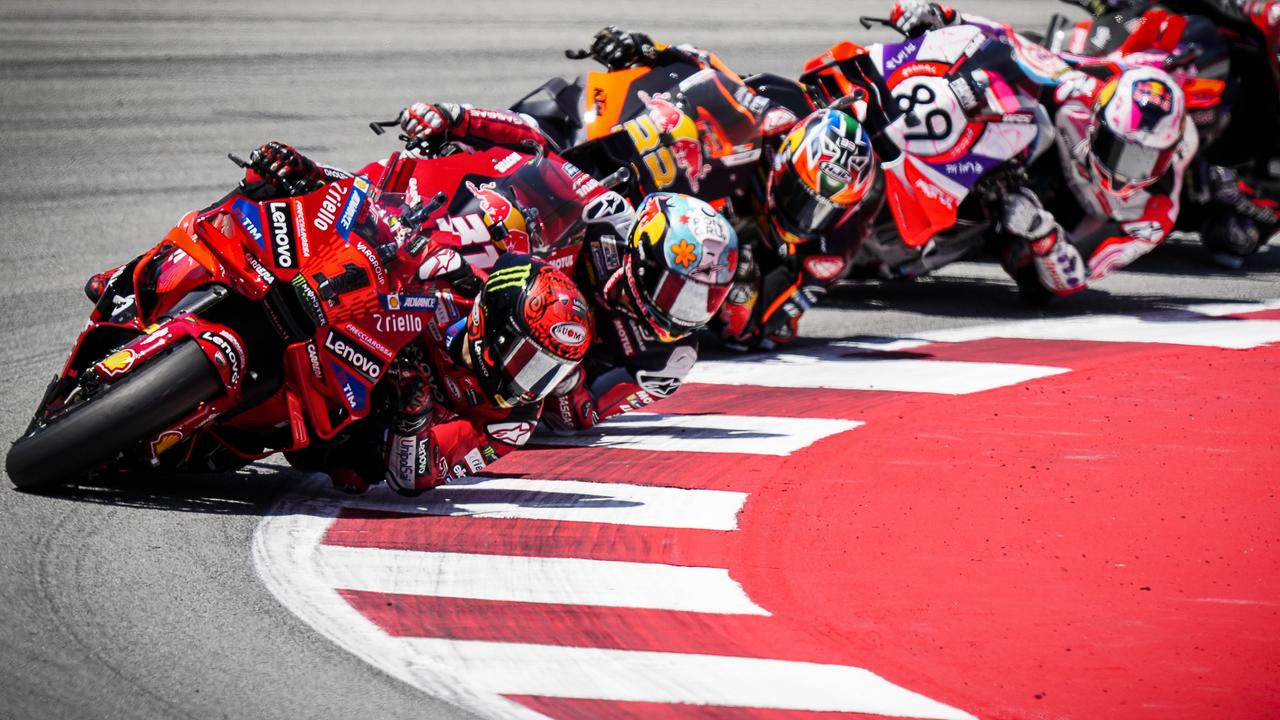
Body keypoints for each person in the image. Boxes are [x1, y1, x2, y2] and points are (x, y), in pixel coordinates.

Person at [90, 141, 594, 495]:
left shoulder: (513, 421)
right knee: (265, 190)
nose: (533, 382)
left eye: (548, 373)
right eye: (531, 362)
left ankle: (228, 422)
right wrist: (312, 175)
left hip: (357, 418)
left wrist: (414, 416)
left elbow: (421, 475)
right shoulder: (460, 291)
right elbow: (380, 209)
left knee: (355, 469)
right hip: (341, 319)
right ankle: (139, 271)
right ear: (497, 324)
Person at [399, 25, 882, 350]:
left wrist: (742, 287)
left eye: (818, 206)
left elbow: (768, 320)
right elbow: (713, 71)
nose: (804, 212)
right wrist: (647, 51)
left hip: (707, 269)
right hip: (679, 174)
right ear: (789, 158)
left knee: (731, 318)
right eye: (800, 193)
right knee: (560, 112)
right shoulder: (783, 109)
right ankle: (466, 155)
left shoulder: (837, 237)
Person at [394, 105, 740, 429]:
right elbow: (538, 144)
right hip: (498, 276)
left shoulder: (669, 359)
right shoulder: (612, 220)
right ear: (645, 256)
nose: (687, 313)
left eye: (704, 299)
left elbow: (582, 414)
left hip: (513, 378)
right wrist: (458, 119)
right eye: (679, 291)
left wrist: (565, 371)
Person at [887, 1, 1199, 296]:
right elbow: (1016, 46)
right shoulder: (1083, 92)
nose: (1123, 170)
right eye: (1117, 148)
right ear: (1097, 122)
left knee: (1029, 273)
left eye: (1144, 160)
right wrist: (946, 17)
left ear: (1168, 155)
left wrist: (1041, 233)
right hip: (1024, 152)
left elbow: (1077, 279)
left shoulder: (1153, 216)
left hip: (1047, 221)